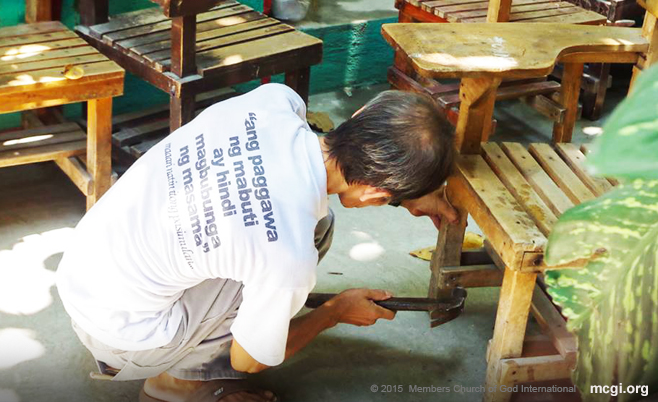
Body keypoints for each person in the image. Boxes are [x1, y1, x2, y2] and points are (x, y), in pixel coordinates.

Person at [56, 84, 458, 402]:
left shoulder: (275, 101)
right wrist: (332, 312)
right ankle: (175, 384)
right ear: (375, 193)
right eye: (387, 196)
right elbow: (247, 362)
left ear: (359, 115)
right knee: (288, 259)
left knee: (308, 229)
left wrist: (406, 189)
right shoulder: (285, 254)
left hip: (83, 271)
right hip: (126, 338)